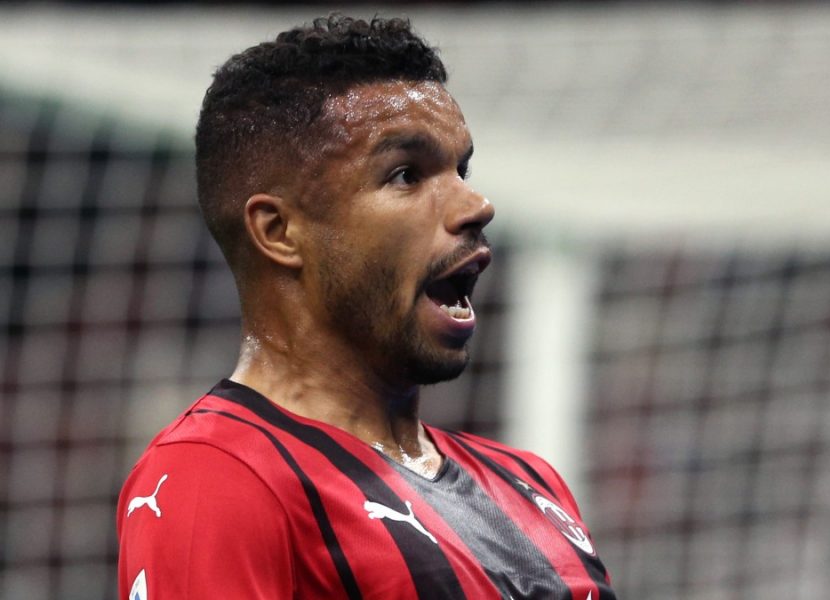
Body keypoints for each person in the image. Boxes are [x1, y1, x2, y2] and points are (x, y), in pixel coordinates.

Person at [117, 14, 616, 599]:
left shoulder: (531, 484)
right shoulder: (218, 476)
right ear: (279, 232)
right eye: (406, 175)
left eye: (460, 170)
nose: (475, 204)